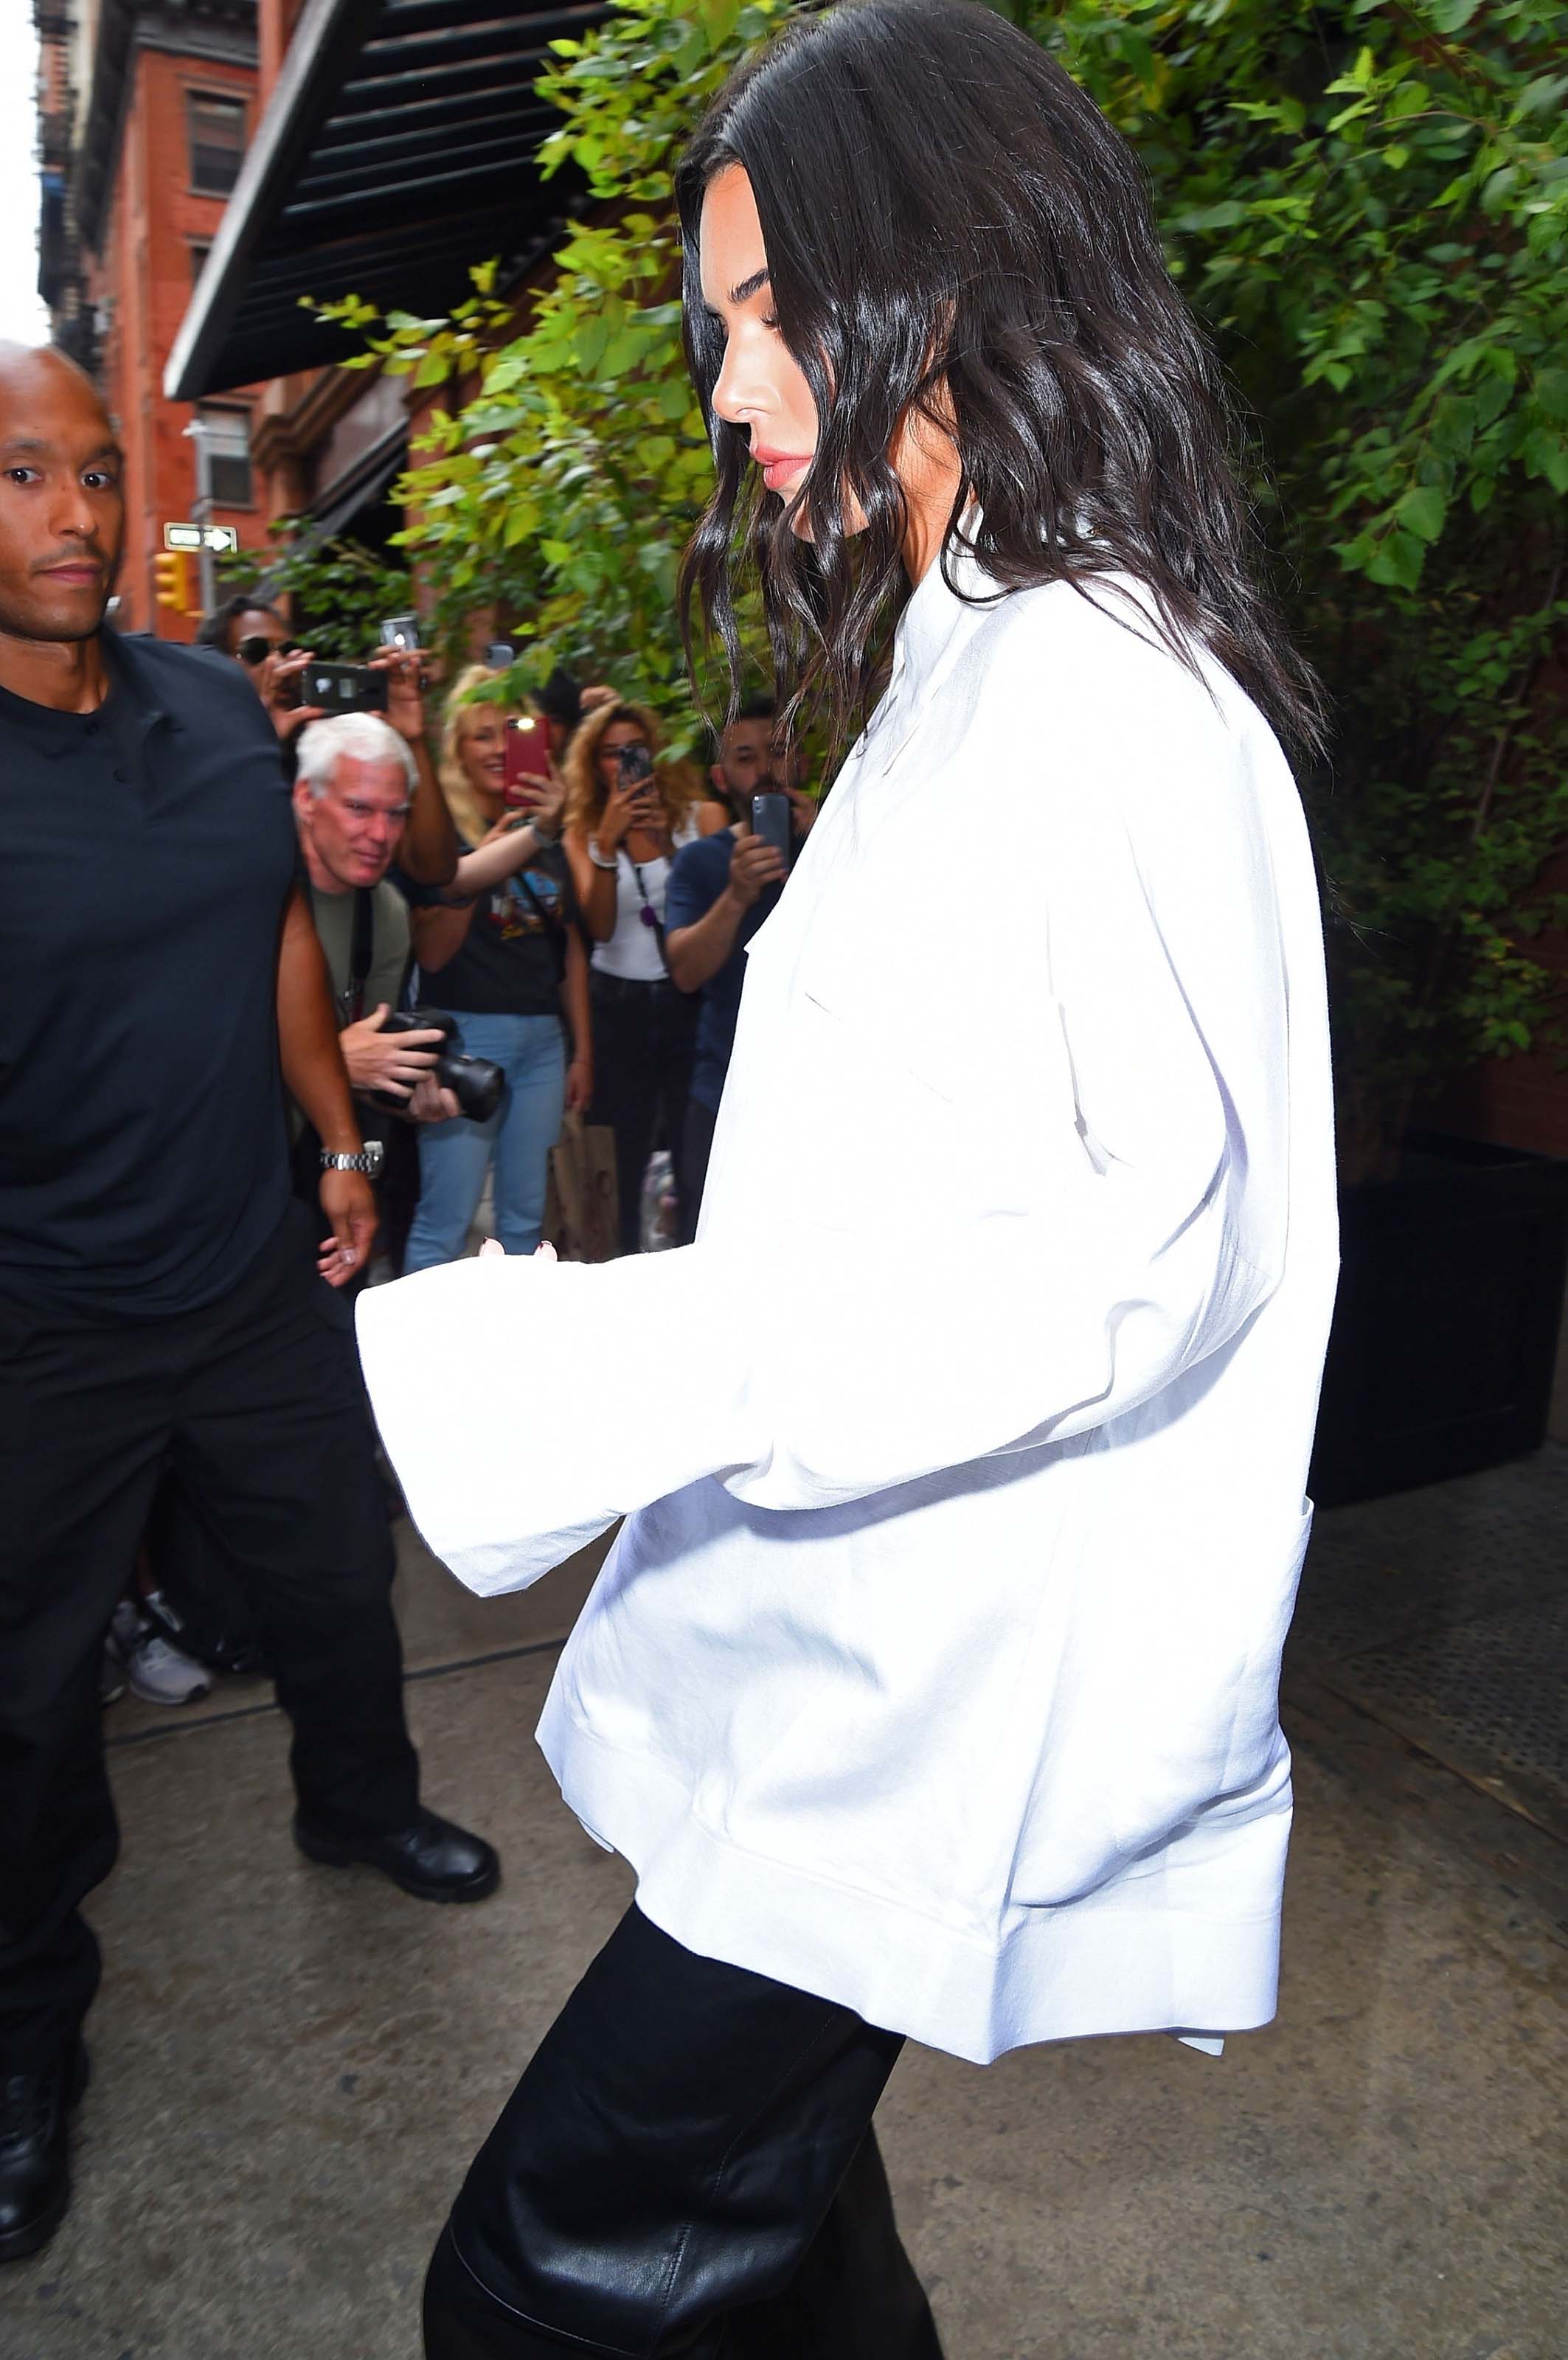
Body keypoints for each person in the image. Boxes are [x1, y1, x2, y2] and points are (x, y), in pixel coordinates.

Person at [356, 4, 1339, 2351]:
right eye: (723, 328)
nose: (726, 387)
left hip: (925, 1691)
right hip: (854, 1657)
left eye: (765, 315)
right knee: (769, 2233)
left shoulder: (1098, 681)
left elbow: (1131, 1253)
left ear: (950, 281)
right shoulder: (980, 646)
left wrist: (593, 1355)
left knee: (539, 2289)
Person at [0, 341, 499, 2268]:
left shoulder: (217, 712)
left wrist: (341, 1148)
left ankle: (355, 1803)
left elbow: (278, 930)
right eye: (27, 477)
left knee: (328, 1570)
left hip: (242, 1273)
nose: (75, 515)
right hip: (45, 1314)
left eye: (96, 475)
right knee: (29, 1709)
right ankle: (30, 2039)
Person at [400, 668, 592, 1266]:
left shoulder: (550, 827)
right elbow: (431, 952)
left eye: (509, 733)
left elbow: (572, 950)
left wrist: (581, 1049)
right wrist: (491, 858)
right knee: (446, 1221)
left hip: (542, 1041)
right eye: (480, 735)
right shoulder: (441, 834)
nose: (497, 748)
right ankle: (411, 1358)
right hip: (467, 1034)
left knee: (526, 1221)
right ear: (456, 746)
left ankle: (513, 1353)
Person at [665, 705, 816, 1240]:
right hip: (723, 1088)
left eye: (777, 751)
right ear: (721, 777)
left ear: (799, 759)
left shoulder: (840, 842)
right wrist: (736, 896)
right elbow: (683, 972)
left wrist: (828, 848)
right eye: (745, 758)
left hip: (819, 1088)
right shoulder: (701, 862)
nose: (766, 769)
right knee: (708, 1248)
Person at [561, 701, 702, 1253]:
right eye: (610, 754)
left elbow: (704, 906)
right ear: (592, 763)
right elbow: (596, 928)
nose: (623, 764)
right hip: (617, 1007)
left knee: (696, 1156)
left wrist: (666, 844)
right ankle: (615, 1269)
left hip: (687, 1001)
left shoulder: (696, 818)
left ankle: (696, 1262)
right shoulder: (580, 833)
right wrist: (605, 844)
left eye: (634, 752)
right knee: (620, 1158)